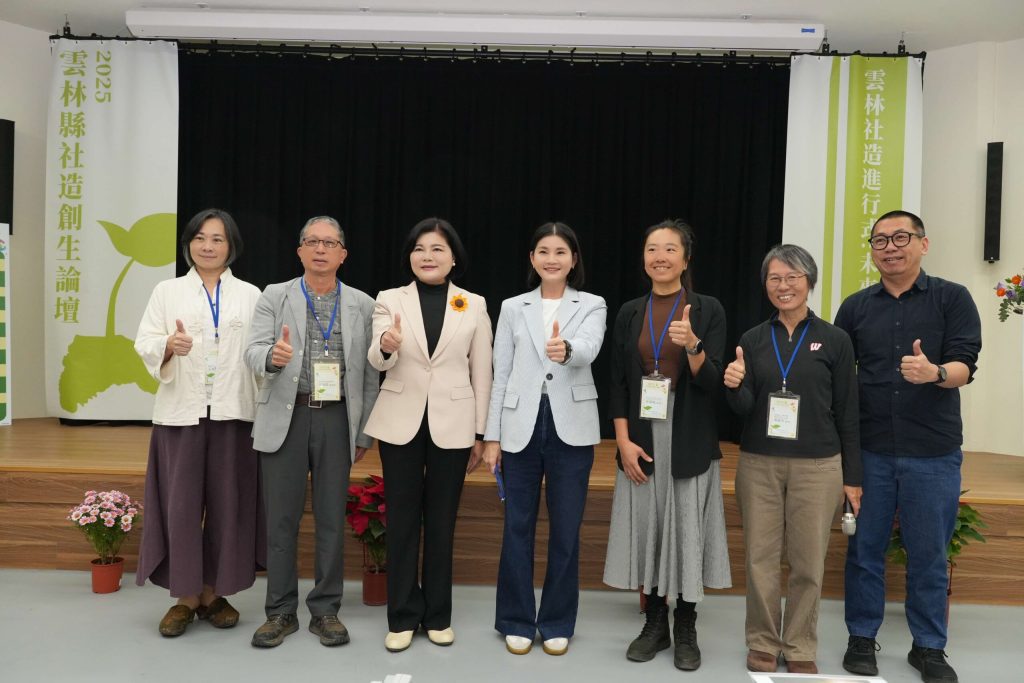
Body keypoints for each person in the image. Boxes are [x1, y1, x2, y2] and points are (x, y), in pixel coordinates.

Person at [836, 210, 981, 683]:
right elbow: (838, 380)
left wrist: (936, 373)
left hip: (932, 451)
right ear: (872, 250)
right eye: (880, 240)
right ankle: (861, 637)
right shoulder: (856, 307)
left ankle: (929, 648)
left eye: (901, 237)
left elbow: (965, 364)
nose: (891, 247)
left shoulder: (952, 298)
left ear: (924, 243)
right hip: (871, 448)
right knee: (865, 551)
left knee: (929, 554)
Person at [723, 244, 862, 674]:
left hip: (819, 465)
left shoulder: (836, 339)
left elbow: (848, 410)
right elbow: (744, 409)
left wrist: (851, 477)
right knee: (761, 558)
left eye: (793, 277)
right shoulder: (753, 339)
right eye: (775, 278)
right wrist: (733, 384)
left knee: (808, 561)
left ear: (809, 282)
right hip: (759, 464)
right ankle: (763, 641)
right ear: (765, 285)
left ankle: (800, 644)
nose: (784, 286)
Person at [243, 216, 379, 648]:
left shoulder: (362, 303)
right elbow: (251, 351)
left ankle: (325, 610)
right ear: (299, 250)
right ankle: (280, 611)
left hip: (338, 417)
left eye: (330, 243)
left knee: (330, 521)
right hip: (289, 414)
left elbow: (371, 376)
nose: (321, 250)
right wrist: (273, 356)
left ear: (343, 254)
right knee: (280, 519)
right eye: (312, 242)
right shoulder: (274, 296)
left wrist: (363, 434)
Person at [603, 219, 732, 671]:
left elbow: (714, 383)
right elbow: (617, 381)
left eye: (670, 249)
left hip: (689, 431)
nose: (660, 256)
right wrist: (621, 440)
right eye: (652, 248)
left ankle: (688, 626)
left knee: (685, 529)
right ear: (643, 258)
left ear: (686, 257)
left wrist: (693, 345)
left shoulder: (707, 308)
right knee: (651, 526)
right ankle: (655, 623)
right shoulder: (630, 311)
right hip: (641, 431)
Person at [364, 217, 493, 653]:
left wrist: (480, 432)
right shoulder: (389, 298)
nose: (428, 256)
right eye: (420, 249)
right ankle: (402, 616)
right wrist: (387, 343)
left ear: (453, 256)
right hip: (400, 422)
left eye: (437, 249)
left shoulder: (472, 304)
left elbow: (483, 370)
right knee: (401, 522)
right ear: (410, 257)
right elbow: (377, 360)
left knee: (441, 523)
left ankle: (438, 615)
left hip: (454, 425)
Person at [134, 208, 264, 637]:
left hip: (233, 414)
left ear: (232, 247)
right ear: (189, 242)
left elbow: (260, 352)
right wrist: (168, 345)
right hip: (180, 416)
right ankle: (184, 596)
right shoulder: (166, 290)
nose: (207, 246)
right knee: (181, 505)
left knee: (229, 504)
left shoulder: (250, 294)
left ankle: (214, 592)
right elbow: (146, 341)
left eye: (218, 239)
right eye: (200, 238)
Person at [482, 222, 607, 657]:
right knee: (517, 527)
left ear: (574, 259)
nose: (551, 258)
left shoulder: (592, 303)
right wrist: (491, 437)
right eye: (543, 251)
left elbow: (590, 347)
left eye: (560, 251)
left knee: (566, 530)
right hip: (519, 425)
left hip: (570, 425)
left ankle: (556, 621)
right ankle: (515, 619)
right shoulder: (513, 306)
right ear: (532, 259)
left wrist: (566, 350)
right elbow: (501, 374)